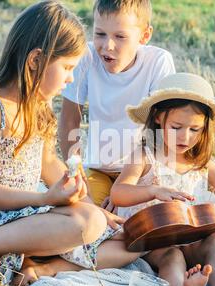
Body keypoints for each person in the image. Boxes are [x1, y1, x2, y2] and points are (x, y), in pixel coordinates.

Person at [0, 1, 122, 285]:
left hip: (16, 215)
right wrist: (45, 199)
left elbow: (47, 162)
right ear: (36, 60)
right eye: (67, 67)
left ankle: (31, 262)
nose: (71, 78)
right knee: (87, 224)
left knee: (116, 235)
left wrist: (86, 201)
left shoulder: (38, 105)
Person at [110, 73, 215, 286]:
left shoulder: (202, 164)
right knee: (172, 256)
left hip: (193, 239)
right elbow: (118, 193)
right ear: (159, 118)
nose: (185, 137)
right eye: (177, 127)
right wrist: (153, 191)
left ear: (205, 129)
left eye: (194, 129)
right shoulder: (144, 156)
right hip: (154, 241)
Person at [59, 0, 176, 213]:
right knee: (86, 214)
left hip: (142, 170)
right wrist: (76, 172)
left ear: (144, 36)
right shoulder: (86, 58)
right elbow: (69, 122)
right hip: (98, 169)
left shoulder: (158, 62)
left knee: (148, 219)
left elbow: (160, 130)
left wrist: (123, 188)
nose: (107, 45)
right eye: (100, 34)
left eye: (120, 36)